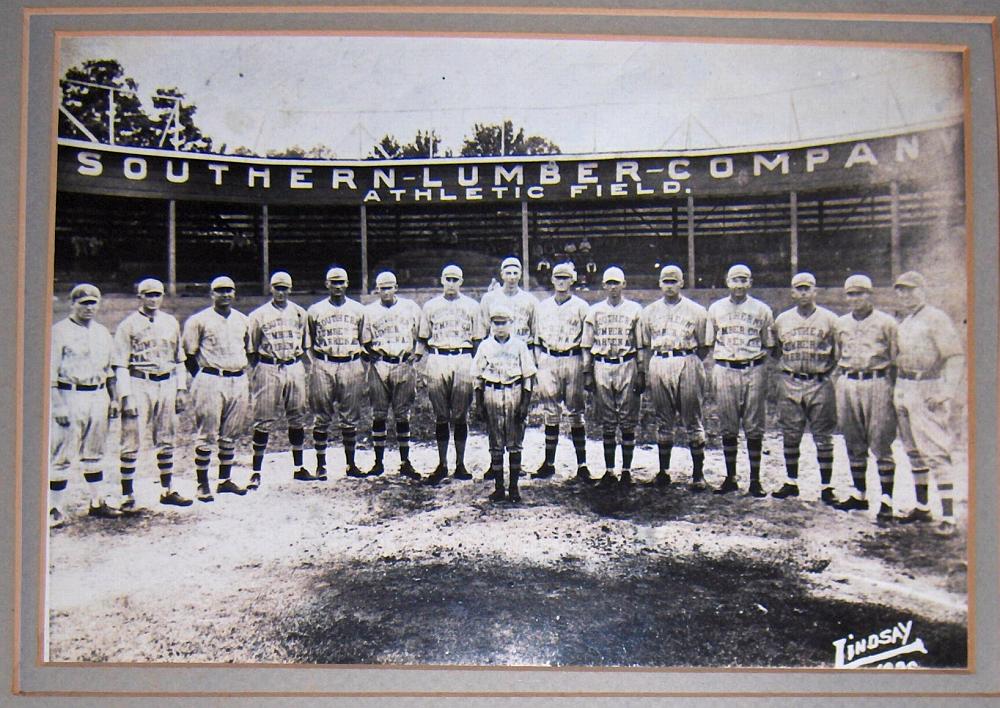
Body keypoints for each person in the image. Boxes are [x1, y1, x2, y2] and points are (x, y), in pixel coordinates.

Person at [892, 270, 965, 531]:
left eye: (910, 289)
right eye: (900, 290)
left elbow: (955, 356)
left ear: (923, 290)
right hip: (903, 384)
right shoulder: (904, 320)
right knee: (912, 449)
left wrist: (947, 391)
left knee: (935, 450)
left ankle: (948, 516)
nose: (905, 294)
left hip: (927, 385)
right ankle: (922, 507)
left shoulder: (935, 317)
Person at [114, 277, 191, 511]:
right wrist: (125, 395)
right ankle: (127, 494)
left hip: (166, 381)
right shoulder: (127, 325)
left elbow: (179, 359)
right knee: (131, 438)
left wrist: (181, 389)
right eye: (148, 294)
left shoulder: (170, 322)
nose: (153, 299)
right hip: (140, 382)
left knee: (166, 437)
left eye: (157, 294)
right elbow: (120, 364)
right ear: (140, 297)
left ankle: (167, 490)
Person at [48, 283, 120, 527]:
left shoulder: (102, 332)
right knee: (62, 453)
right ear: (73, 304)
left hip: (98, 394)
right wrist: (57, 405)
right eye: (83, 303)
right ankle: (53, 508)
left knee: (95, 451)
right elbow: (50, 373)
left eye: (93, 303)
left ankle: (97, 501)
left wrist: (114, 398)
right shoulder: (59, 332)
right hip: (71, 394)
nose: (89, 307)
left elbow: (110, 370)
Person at [705, 264, 776, 497]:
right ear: (727, 282)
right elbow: (709, 341)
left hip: (753, 367)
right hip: (725, 367)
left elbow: (768, 344)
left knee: (754, 425)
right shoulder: (715, 309)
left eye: (743, 280)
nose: (739, 284)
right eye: (735, 280)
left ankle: (755, 480)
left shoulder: (762, 309)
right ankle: (730, 477)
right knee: (728, 424)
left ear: (750, 283)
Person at [832, 274, 898, 518]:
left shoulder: (886, 322)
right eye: (851, 293)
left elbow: (895, 358)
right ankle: (859, 495)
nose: (855, 298)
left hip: (877, 380)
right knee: (852, 438)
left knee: (880, 438)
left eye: (860, 293)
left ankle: (886, 499)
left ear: (870, 295)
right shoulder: (841, 323)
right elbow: (838, 355)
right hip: (848, 380)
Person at [638, 265, 710, 491]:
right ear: (659, 284)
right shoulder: (649, 311)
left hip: (687, 359)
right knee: (663, 419)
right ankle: (664, 472)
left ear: (682, 283)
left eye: (674, 281)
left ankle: (698, 475)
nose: (669, 286)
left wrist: (689, 360)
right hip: (659, 361)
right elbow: (645, 343)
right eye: (665, 281)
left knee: (692, 418)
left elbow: (704, 345)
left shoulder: (696, 310)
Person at [770, 272, 839, 505]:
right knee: (790, 433)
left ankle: (826, 486)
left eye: (807, 288)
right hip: (791, 380)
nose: (802, 293)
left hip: (819, 381)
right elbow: (777, 351)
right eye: (798, 289)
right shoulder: (782, 320)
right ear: (792, 292)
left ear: (815, 291)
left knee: (823, 436)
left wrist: (827, 375)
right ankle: (791, 482)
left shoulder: (830, 319)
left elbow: (838, 355)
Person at [182, 276, 251, 502]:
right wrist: (202, 377)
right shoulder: (198, 320)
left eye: (229, 290)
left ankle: (224, 481)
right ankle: (202, 483)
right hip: (211, 378)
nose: (225, 294)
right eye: (220, 291)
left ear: (234, 293)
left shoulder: (243, 320)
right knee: (207, 432)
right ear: (211, 294)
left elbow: (248, 351)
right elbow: (189, 356)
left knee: (231, 432)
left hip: (237, 377)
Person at [418, 264, 485, 484]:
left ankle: (460, 464)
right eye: (448, 279)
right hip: (438, 356)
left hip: (463, 357)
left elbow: (477, 340)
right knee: (441, 415)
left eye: (455, 279)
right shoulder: (430, 306)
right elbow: (423, 338)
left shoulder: (472, 306)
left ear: (461, 282)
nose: (451, 283)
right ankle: (442, 464)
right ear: (441, 280)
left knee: (460, 415)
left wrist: (476, 369)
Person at [582, 266, 645, 489]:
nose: (613, 287)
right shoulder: (595, 311)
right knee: (607, 420)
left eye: (616, 282)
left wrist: (641, 371)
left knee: (628, 420)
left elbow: (640, 345)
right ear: (603, 286)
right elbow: (587, 345)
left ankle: (626, 471)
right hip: (602, 364)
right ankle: (609, 471)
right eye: (609, 283)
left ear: (624, 284)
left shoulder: (635, 310)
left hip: (626, 363)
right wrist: (587, 373)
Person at [246, 271, 310, 488]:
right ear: (270, 289)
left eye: (284, 288)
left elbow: (304, 346)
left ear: (290, 289)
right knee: (263, 419)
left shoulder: (300, 313)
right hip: (268, 366)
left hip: (293, 365)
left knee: (297, 416)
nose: (280, 292)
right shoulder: (258, 315)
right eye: (277, 288)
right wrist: (259, 371)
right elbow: (252, 350)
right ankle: (256, 471)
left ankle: (299, 467)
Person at [531, 262, 591, 483]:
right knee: (550, 412)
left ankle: (582, 465)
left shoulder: (582, 306)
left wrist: (585, 368)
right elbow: (536, 338)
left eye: (566, 277)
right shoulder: (543, 306)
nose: (561, 281)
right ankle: (549, 463)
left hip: (572, 357)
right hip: (549, 358)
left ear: (572, 280)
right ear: (552, 280)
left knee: (576, 412)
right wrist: (540, 360)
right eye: (558, 277)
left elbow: (586, 340)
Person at [306, 267, 367, 480]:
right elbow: (310, 341)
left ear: (347, 284)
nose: (338, 286)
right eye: (334, 282)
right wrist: (318, 363)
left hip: (351, 362)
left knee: (350, 417)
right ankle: (321, 465)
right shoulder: (315, 310)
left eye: (341, 282)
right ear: (327, 284)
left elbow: (363, 339)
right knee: (321, 416)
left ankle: (351, 464)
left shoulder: (358, 310)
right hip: (324, 363)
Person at [472, 305, 537, 503]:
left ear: (511, 324)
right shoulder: (485, 346)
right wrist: (479, 403)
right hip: (492, 391)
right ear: (491, 325)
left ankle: (514, 488)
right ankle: (499, 488)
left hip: (514, 390)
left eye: (503, 323)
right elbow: (477, 377)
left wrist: (525, 404)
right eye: (496, 323)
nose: (500, 327)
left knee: (515, 442)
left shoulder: (519, 345)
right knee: (496, 442)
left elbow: (528, 377)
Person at [361, 271, 422, 480]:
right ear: (377, 289)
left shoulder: (410, 307)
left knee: (402, 414)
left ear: (396, 287)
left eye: (389, 287)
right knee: (379, 413)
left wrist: (416, 353)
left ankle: (405, 462)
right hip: (380, 364)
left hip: (402, 362)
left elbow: (421, 335)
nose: (385, 291)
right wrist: (371, 354)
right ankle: (378, 462)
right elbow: (365, 341)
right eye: (382, 288)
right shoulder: (369, 311)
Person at [480, 256, 538, 342]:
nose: (512, 277)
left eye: (515, 273)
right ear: (502, 274)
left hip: (523, 346)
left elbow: (535, 330)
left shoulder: (530, 300)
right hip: (497, 348)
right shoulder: (489, 298)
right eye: (508, 273)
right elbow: (484, 329)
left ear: (520, 274)